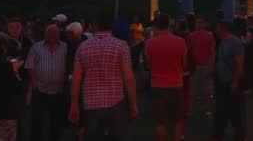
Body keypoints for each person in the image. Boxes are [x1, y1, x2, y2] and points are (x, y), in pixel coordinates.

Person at [69, 11, 138, 141]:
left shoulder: (83, 47)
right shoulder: (121, 46)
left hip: (91, 104)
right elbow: (128, 78)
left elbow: (76, 79)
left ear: (95, 25)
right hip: (116, 103)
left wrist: (74, 104)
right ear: (111, 25)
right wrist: (133, 104)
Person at [145, 13, 187, 141]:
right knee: (177, 119)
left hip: (157, 85)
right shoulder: (180, 42)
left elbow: (148, 65)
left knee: (160, 121)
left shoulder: (150, 43)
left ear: (156, 26)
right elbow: (184, 64)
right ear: (169, 25)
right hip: (175, 84)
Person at [25, 25, 68, 141]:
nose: (53, 35)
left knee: (56, 121)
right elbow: (30, 66)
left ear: (59, 35)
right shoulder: (36, 47)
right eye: (50, 33)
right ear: (45, 34)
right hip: (40, 90)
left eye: (55, 33)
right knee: (37, 120)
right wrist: (34, 83)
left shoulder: (65, 47)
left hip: (58, 90)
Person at [211, 21, 245, 141]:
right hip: (221, 80)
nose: (215, 31)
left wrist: (235, 81)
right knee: (220, 109)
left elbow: (239, 64)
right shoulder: (223, 42)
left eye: (217, 28)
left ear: (223, 29)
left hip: (230, 81)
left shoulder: (235, 43)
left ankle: (239, 135)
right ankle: (218, 134)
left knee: (234, 110)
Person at [188, 16, 216, 116]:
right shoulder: (191, 36)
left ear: (204, 24)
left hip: (205, 65)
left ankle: (207, 109)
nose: (198, 25)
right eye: (197, 23)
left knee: (206, 89)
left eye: (200, 23)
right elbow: (189, 52)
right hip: (195, 65)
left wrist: (211, 65)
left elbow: (212, 52)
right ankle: (191, 109)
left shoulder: (209, 35)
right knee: (193, 89)